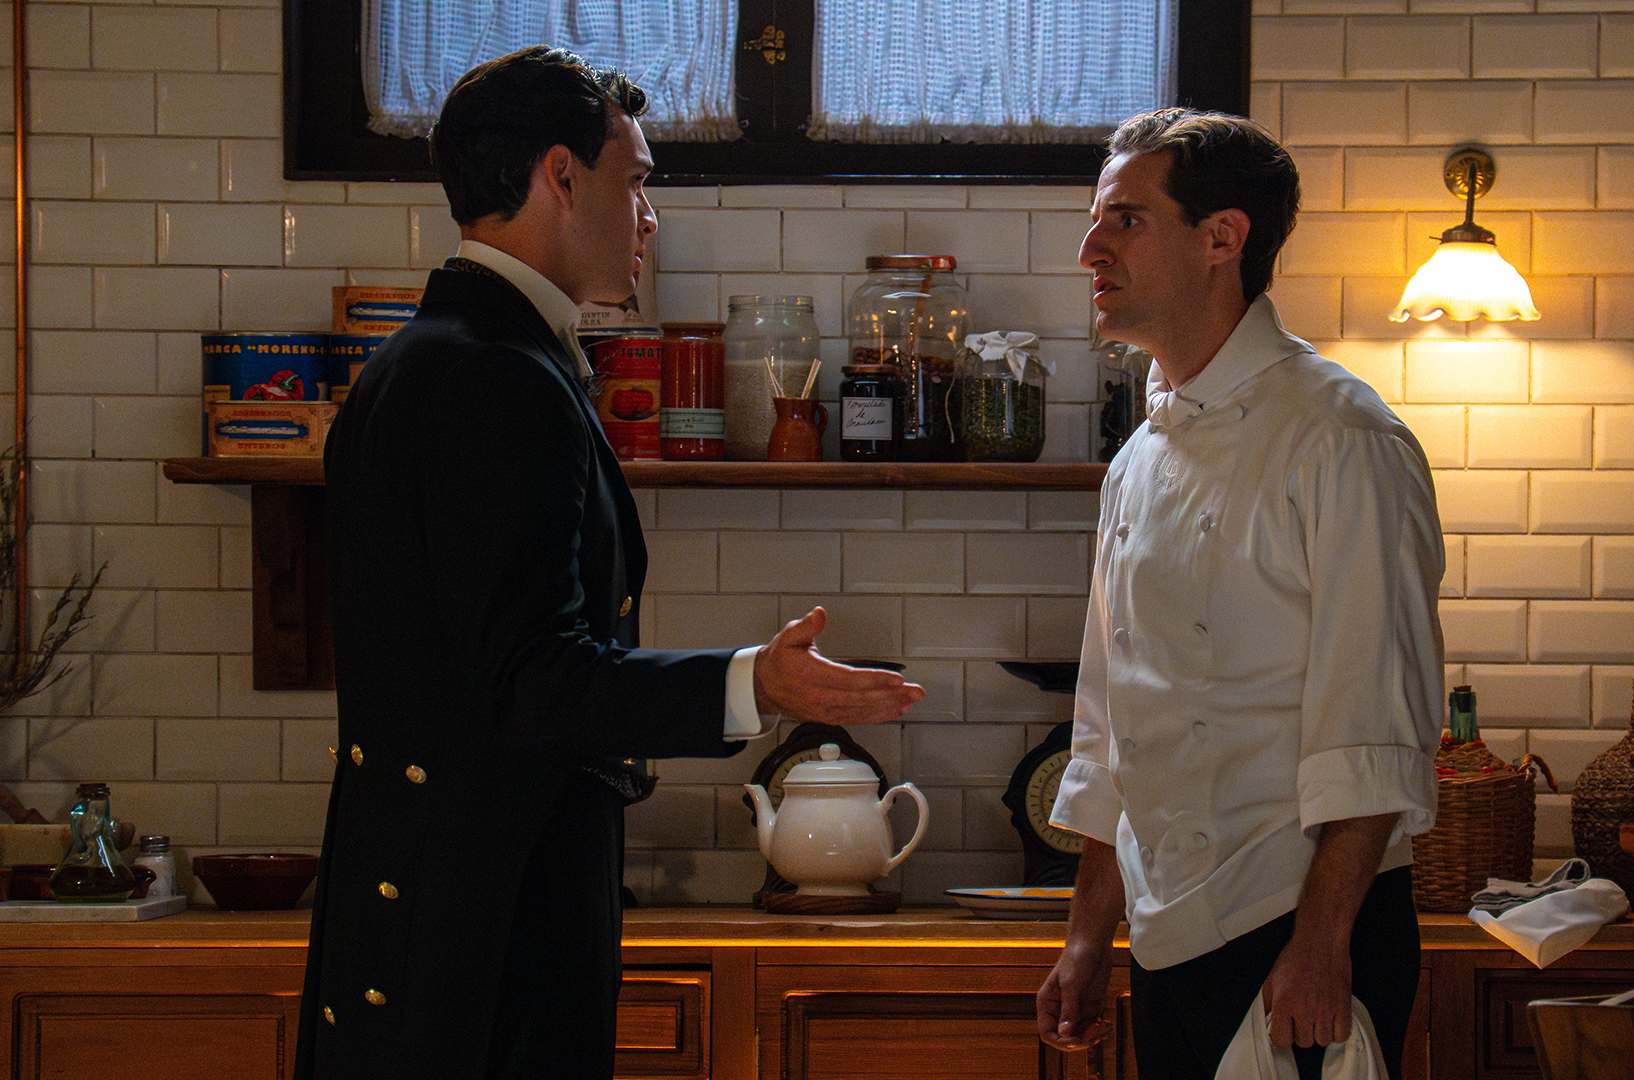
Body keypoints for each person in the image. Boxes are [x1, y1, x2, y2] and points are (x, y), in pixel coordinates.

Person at [295, 46, 924, 1080]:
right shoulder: (493, 376)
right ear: (561, 175)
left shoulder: (435, 356)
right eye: (635, 182)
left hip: (437, 914)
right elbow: (531, 680)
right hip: (480, 942)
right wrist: (753, 684)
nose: (648, 219)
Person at [1036, 108, 1444, 1080]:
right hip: (1168, 938)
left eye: (1126, 220)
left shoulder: (1342, 439)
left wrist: (1322, 946)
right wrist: (1090, 935)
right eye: (1096, 221)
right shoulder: (1136, 461)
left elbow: (1377, 725)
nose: (1091, 249)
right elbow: (1112, 724)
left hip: (1300, 939)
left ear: (1223, 238)